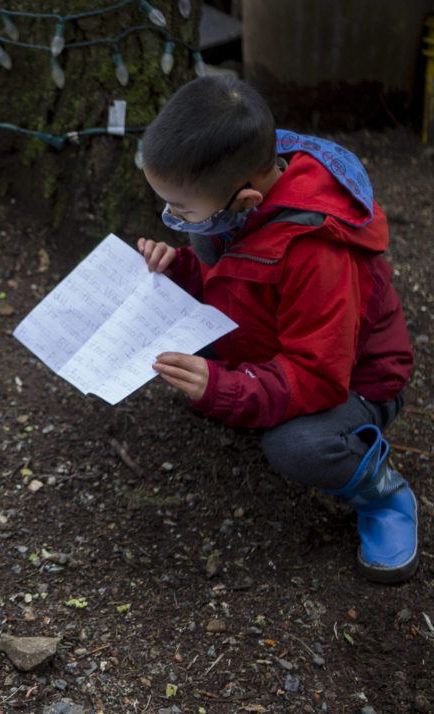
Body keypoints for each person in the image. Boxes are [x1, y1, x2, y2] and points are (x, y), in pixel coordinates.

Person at [136, 75, 417, 584]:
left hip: (355, 379)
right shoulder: (242, 181)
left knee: (295, 447)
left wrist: (225, 387)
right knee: (203, 249)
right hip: (276, 347)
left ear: (245, 200)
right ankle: (246, 388)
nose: (173, 218)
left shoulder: (317, 254)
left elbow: (318, 375)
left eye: (182, 212)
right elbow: (233, 276)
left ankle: (383, 495)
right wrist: (179, 267)